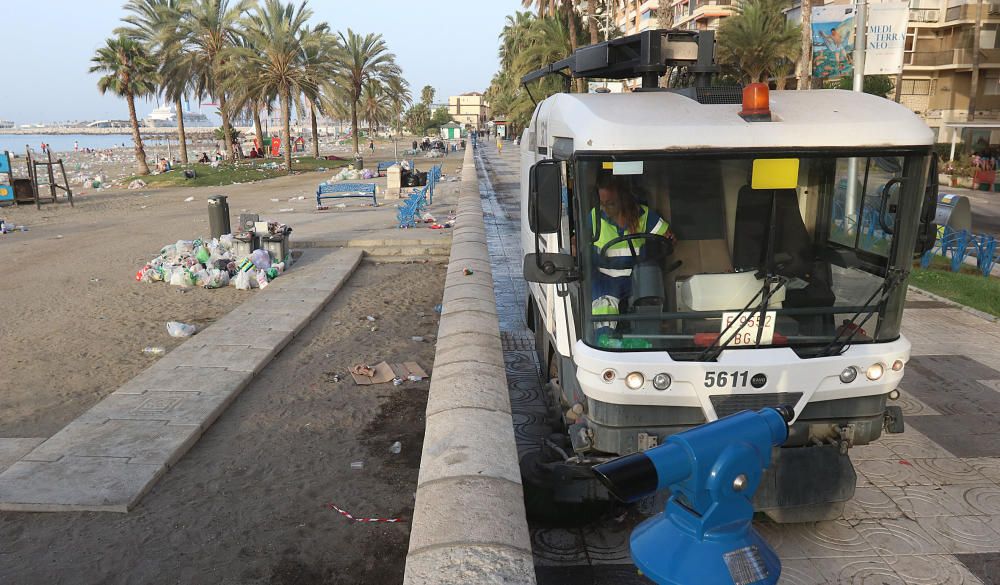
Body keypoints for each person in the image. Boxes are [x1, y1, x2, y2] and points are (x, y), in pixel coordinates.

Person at [588, 173, 672, 342]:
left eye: (610, 204)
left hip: (637, 277)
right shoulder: (595, 216)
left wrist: (667, 240)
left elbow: (668, 237)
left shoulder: (644, 215)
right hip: (605, 279)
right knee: (604, 307)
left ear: (623, 200)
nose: (605, 208)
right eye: (602, 203)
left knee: (649, 297)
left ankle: (650, 343)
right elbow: (577, 242)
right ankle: (606, 344)